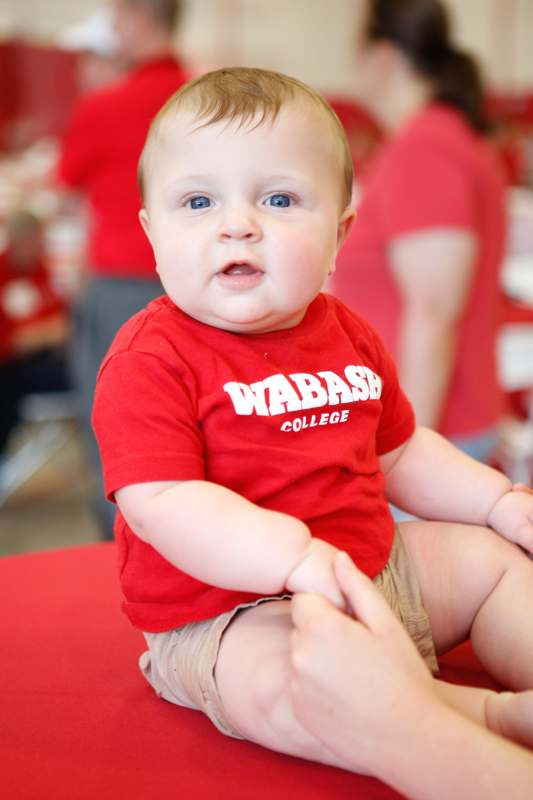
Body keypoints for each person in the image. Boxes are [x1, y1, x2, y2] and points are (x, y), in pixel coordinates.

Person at [92, 68, 533, 788]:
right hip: (231, 609)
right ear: (152, 232)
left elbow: (399, 450)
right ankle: (453, 720)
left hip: (375, 567)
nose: (238, 224)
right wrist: (291, 559)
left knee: (491, 564)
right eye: (198, 201)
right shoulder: (151, 358)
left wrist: (494, 501)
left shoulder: (347, 333)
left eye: (279, 199)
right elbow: (163, 501)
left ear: (339, 232)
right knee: (274, 678)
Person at [332, 0, 506, 467]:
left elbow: (433, 310)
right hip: (432, 426)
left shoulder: (427, 147)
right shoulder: (432, 140)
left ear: (384, 55)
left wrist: (407, 453)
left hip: (433, 431)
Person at [56, 0, 189, 538]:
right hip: (202, 286)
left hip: (121, 291)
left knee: (119, 432)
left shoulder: (104, 105)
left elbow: (65, 189)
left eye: (115, 20)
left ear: (138, 17)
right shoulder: (204, 98)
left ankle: (123, 553)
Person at [289, 551, 533, 800]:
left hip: (369, 559)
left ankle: (480, 715)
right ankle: (490, 714)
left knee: (494, 569)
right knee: (279, 677)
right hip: (279, 594)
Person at [0, 210, 71, 472]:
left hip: (47, 361)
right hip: (12, 368)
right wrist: (43, 334)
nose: (37, 249)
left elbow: (63, 320)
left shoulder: (43, 271)